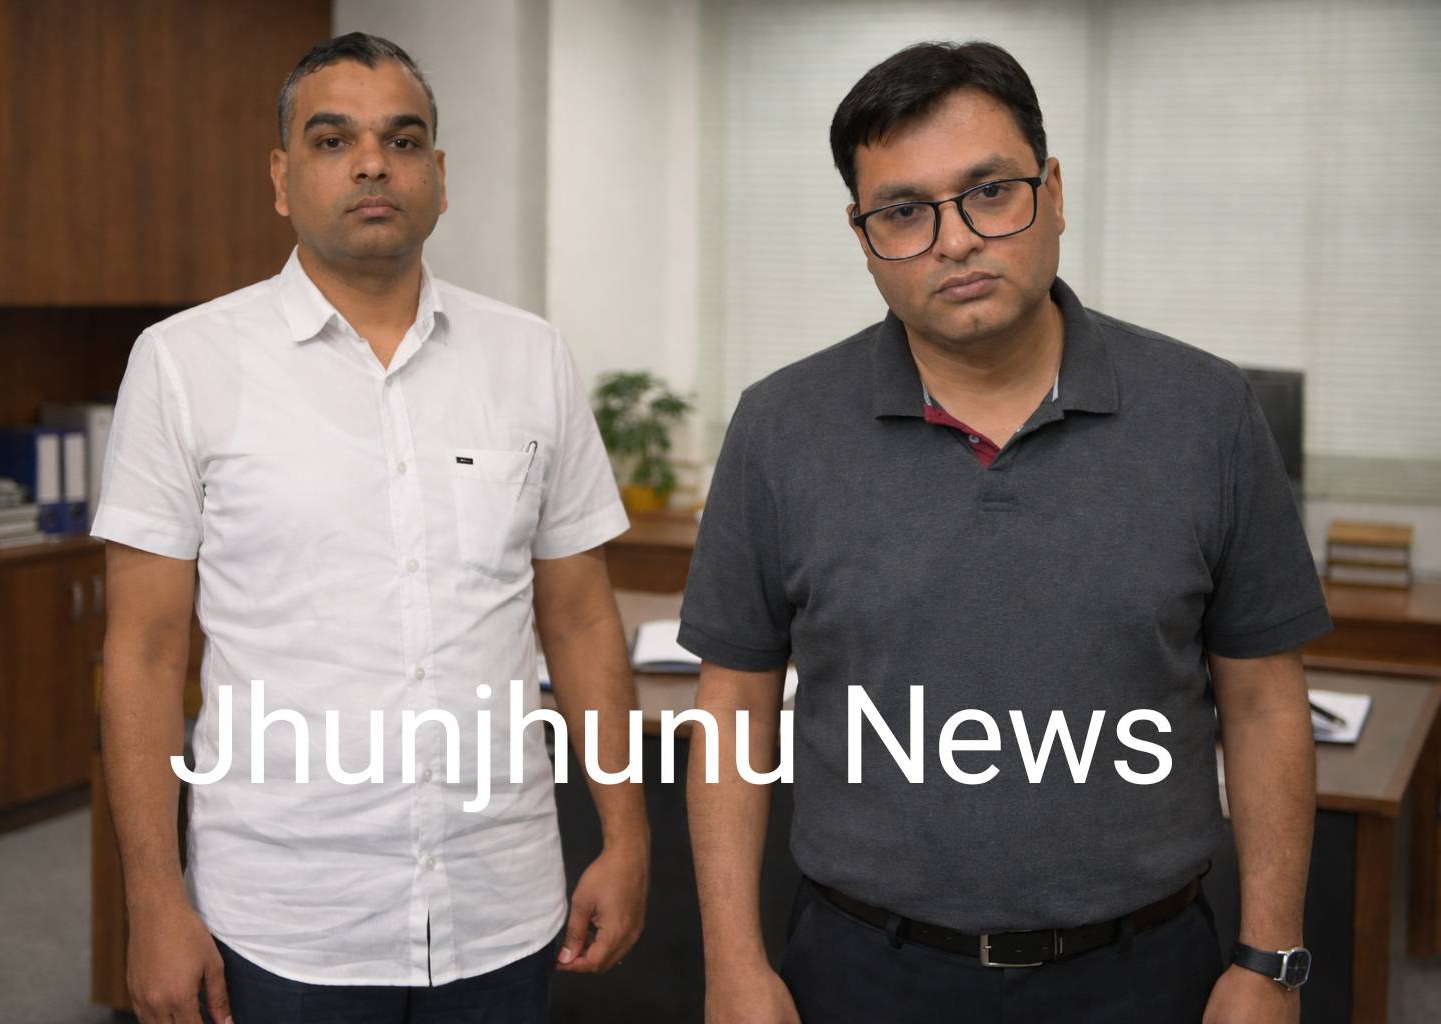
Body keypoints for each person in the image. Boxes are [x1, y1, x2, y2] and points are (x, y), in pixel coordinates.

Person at [682, 40, 1326, 1024]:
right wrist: (732, 965)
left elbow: (1267, 702)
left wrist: (1271, 961)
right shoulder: (780, 428)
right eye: (904, 211)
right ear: (863, 236)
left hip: (1145, 973)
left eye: (989, 193)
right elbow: (732, 708)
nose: (954, 241)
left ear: (1052, 193)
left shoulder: (1207, 414)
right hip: (864, 972)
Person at [95, 32, 648, 1024]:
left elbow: (578, 618)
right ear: (281, 178)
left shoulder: (531, 358)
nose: (371, 164)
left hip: (500, 899)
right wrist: (153, 897)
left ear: (439, 176)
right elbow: (142, 651)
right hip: (286, 916)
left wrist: (626, 833)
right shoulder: (183, 365)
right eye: (332, 140)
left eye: (402, 140)